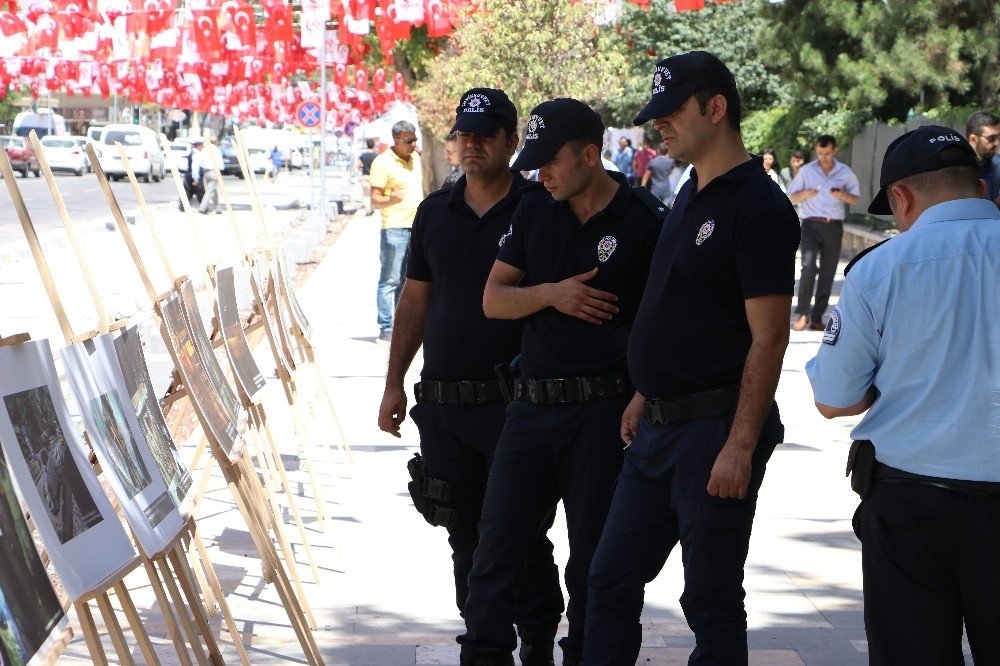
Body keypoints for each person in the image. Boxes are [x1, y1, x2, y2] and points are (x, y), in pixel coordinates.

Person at [584, 50, 799, 665]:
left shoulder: (757, 204)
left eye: (670, 114)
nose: (660, 128)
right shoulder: (686, 193)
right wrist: (643, 390)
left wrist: (739, 443)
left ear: (715, 107)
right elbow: (677, 308)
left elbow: (769, 336)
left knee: (709, 600)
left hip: (714, 430)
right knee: (608, 581)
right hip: (656, 428)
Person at [458, 98, 664, 666]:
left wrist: (643, 397)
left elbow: (665, 322)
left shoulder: (643, 220)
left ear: (590, 155)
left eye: (551, 161)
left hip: (602, 414)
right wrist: (554, 293)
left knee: (594, 563)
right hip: (529, 410)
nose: (541, 173)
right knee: (496, 551)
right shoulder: (534, 211)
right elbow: (493, 300)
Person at [378, 87, 563, 665]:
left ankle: (535, 635)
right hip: (445, 409)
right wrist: (392, 383)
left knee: (520, 533)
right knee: (464, 532)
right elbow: (413, 301)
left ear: (512, 141)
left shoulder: (541, 208)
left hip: (518, 409)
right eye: (464, 133)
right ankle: (487, 644)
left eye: (487, 133)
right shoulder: (435, 211)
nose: (472, 143)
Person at [805, 124, 1000, 664]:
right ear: (981, 190)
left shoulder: (880, 272)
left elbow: (833, 399)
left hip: (913, 508)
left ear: (901, 198)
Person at [787, 135, 860, 331]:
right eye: (820, 153)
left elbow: (855, 199)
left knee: (828, 271)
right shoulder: (807, 171)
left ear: (834, 150)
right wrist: (805, 194)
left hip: (833, 226)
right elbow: (791, 196)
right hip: (810, 225)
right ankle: (803, 314)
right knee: (808, 265)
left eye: (827, 153)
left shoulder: (845, 173)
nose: (823, 157)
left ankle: (817, 317)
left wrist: (842, 194)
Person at [369, 120, 424, 343]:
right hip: (394, 229)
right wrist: (391, 199)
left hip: (416, 227)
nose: (413, 145)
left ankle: (401, 325)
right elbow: (374, 199)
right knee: (390, 280)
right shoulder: (382, 163)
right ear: (396, 140)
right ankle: (385, 328)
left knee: (407, 280)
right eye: (409, 141)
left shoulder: (416, 159)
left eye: (415, 140)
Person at [965, 110, 1000, 205]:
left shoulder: (998, 165)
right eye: (991, 138)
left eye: (998, 137)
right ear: (973, 139)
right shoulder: (956, 167)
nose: (997, 143)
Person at [196, 136, 224, 215]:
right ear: (215, 142)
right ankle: (202, 208)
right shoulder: (216, 150)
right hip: (214, 171)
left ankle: (218, 208)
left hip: (205, 172)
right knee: (210, 191)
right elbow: (220, 163)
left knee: (212, 190)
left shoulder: (204, 150)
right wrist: (221, 170)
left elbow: (200, 161)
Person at [180, 138, 204, 211]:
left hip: (189, 175)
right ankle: (204, 207)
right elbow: (195, 167)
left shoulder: (193, 153)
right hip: (193, 175)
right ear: (197, 145)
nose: (202, 147)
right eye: (201, 145)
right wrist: (196, 178)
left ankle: (182, 206)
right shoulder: (196, 154)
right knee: (199, 191)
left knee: (189, 191)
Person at [357, 138, 379, 215]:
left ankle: (367, 210)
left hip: (365, 176)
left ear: (367, 145)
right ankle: (372, 209)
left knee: (366, 195)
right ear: (373, 146)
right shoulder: (376, 156)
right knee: (373, 194)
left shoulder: (363, 156)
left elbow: (357, 165)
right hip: (374, 177)